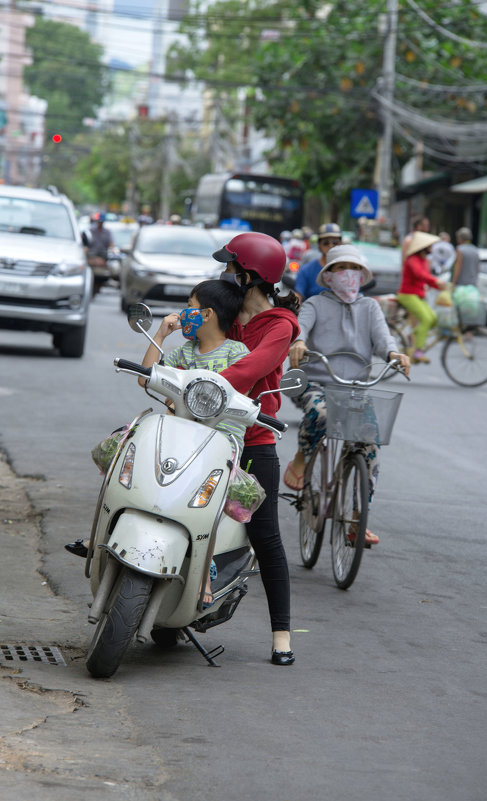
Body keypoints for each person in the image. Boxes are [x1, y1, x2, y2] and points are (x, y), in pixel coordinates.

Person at [212, 232, 301, 666]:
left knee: (265, 537)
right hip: (207, 435)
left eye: (230, 267)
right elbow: (196, 344)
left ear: (248, 275)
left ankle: (282, 636)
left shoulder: (280, 326)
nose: (224, 274)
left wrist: (207, 383)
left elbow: (253, 367)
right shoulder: (224, 314)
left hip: (253, 442)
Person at [283, 244, 410, 546]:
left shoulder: (370, 308)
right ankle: (303, 454)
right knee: (321, 413)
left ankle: (357, 517)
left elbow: (383, 339)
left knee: (371, 442)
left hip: (355, 389)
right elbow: (300, 327)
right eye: (340, 269)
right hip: (315, 384)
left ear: (362, 275)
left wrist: (395, 352)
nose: (347, 275)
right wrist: (298, 343)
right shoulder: (315, 303)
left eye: (353, 269)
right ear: (329, 275)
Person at [139, 279, 250, 609]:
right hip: (180, 438)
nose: (183, 313)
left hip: (221, 443)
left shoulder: (237, 354)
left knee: (209, 506)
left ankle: (202, 575)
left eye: (189, 305)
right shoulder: (182, 353)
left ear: (208, 314)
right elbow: (146, 377)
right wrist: (159, 335)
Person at [397, 231, 447, 363]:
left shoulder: (424, 260)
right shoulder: (412, 259)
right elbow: (419, 275)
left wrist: (440, 286)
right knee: (425, 319)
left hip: (418, 295)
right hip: (407, 295)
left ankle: (412, 336)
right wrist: (436, 281)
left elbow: (426, 279)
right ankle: (418, 351)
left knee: (433, 319)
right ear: (423, 247)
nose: (432, 249)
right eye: (430, 246)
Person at [294, 222, 343, 301]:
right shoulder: (306, 270)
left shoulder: (348, 270)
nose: (330, 246)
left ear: (341, 243)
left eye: (335, 242)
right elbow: (298, 295)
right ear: (319, 244)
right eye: (326, 242)